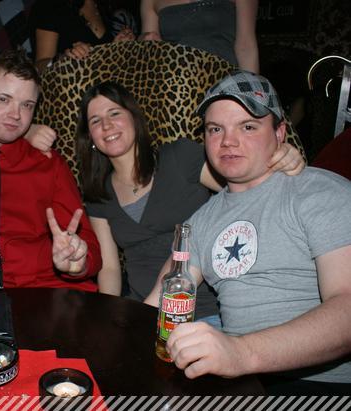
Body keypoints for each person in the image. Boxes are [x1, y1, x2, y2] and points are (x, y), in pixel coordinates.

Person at [144, 71, 351, 394]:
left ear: (280, 132)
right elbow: (155, 306)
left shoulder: (321, 192)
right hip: (239, 383)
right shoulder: (200, 221)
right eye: (215, 129)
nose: (228, 141)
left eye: (248, 126)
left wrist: (242, 353)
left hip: (318, 384)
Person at [76, 81, 304, 321]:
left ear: (134, 117)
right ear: (90, 136)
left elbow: (246, 191)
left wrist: (280, 159)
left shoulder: (179, 157)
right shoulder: (99, 194)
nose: (107, 125)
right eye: (95, 121)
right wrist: (107, 316)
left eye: (114, 113)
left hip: (207, 309)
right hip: (142, 309)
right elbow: (110, 269)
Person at [0, 50, 102, 291]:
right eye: (3, 99)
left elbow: (90, 248)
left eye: (27, 105)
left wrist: (78, 262)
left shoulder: (48, 164)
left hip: (48, 291)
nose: (15, 115)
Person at [140, 0, 259, 73]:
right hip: (175, 86)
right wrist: (145, 40)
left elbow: (246, 46)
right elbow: (147, 53)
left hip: (224, 85)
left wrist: (253, 95)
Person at [32, 0, 135, 73]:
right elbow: (39, 67)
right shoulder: (49, 6)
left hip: (104, 89)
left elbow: (99, 61)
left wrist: (115, 48)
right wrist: (64, 59)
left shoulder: (104, 5)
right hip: (71, 91)